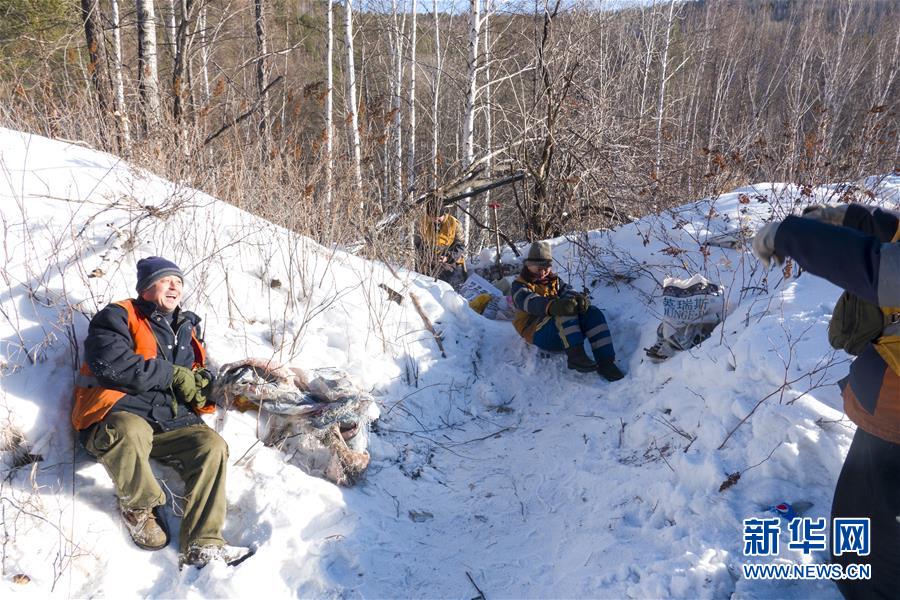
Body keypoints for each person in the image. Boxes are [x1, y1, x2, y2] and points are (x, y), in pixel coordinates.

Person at [752, 203, 900, 599]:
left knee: (879, 531)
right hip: (886, 410)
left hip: (895, 422)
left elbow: (877, 269)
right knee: (861, 509)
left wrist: (789, 236)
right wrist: (843, 217)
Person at [72, 256, 251, 568]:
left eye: (179, 282)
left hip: (169, 421)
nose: (175, 287)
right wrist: (171, 374)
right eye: (167, 280)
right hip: (116, 416)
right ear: (146, 289)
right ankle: (139, 508)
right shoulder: (117, 316)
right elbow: (110, 364)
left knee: (211, 447)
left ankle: (203, 543)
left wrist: (200, 383)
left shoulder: (186, 328)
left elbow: (193, 374)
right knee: (130, 430)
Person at [510, 242, 625, 381]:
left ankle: (606, 362)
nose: (542, 272)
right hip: (535, 330)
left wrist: (580, 300)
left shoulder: (554, 280)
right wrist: (553, 306)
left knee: (592, 312)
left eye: (545, 267)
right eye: (538, 268)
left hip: (562, 331)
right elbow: (530, 302)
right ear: (528, 266)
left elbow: (569, 293)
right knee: (563, 312)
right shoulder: (519, 286)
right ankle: (576, 356)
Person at [414, 204, 466, 288]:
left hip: (449, 260)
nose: (435, 220)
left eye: (438, 218)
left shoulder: (454, 224)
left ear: (443, 214)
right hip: (429, 260)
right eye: (432, 217)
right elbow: (418, 244)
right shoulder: (423, 223)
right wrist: (425, 257)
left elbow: (460, 247)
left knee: (445, 282)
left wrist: (448, 257)